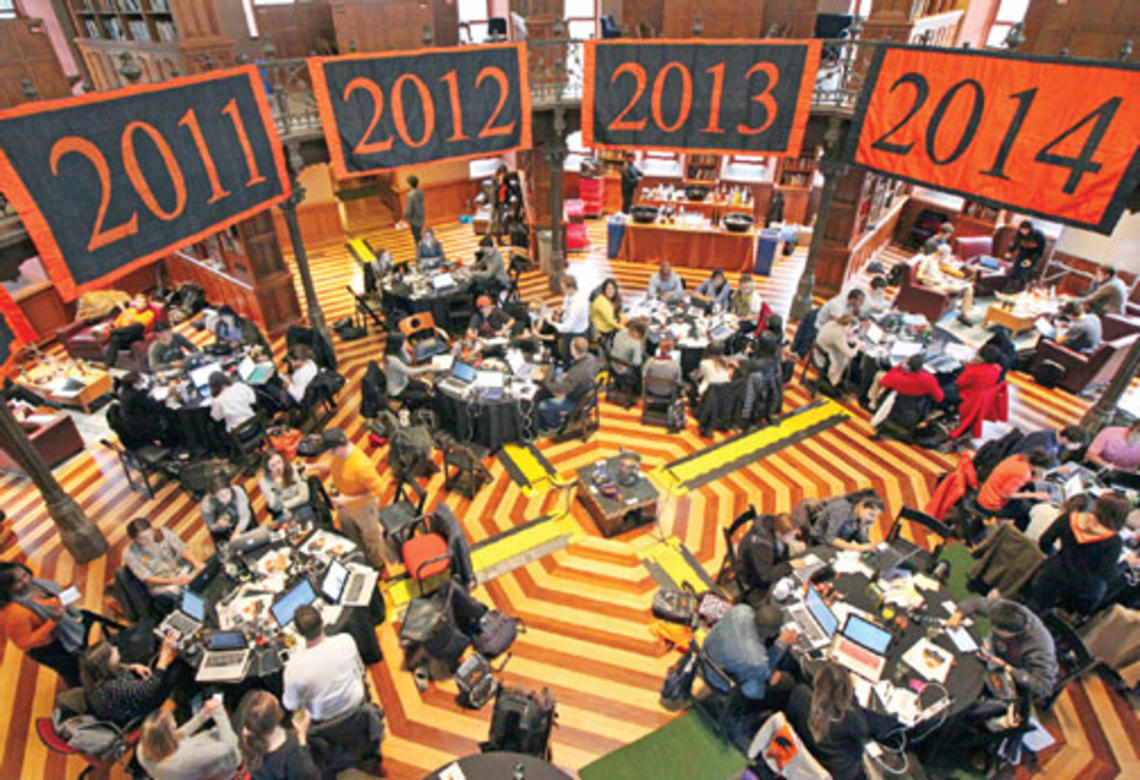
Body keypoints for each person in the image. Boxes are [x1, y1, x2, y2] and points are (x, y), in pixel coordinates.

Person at [0, 562, 114, 688]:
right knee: (73, 672)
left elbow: (54, 598)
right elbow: (24, 642)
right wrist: (52, 622)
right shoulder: (14, 613)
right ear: (6, 588)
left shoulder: (38, 584)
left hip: (63, 627)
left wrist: (72, 588)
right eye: (17, 582)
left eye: (24, 575)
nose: (25, 581)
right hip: (50, 648)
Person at [946, 598, 1057, 724]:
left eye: (998, 631)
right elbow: (975, 602)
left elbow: (1044, 687)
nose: (993, 630)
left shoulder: (1040, 647)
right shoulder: (1008, 610)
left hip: (1010, 677)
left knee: (966, 693)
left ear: (1012, 634)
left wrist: (1007, 667)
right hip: (990, 655)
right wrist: (958, 614)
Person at [787, 662, 891, 780]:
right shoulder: (852, 719)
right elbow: (863, 736)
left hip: (807, 759)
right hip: (841, 773)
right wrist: (853, 700)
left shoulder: (800, 694)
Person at [1032, 492, 1129, 613]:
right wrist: (1126, 563)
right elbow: (1106, 574)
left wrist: (1056, 558)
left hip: (1051, 577)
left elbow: (1044, 542)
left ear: (1097, 505)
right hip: (1081, 593)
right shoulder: (1114, 542)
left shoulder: (1070, 518)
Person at [308, 428, 387, 570]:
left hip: (362, 508)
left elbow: (379, 490)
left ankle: (377, 564)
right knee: (351, 534)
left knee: (371, 538)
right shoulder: (339, 455)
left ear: (338, 447)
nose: (327, 453)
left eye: (328, 451)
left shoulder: (361, 466)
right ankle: (359, 560)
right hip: (344, 504)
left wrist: (347, 500)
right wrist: (313, 466)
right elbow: (333, 465)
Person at [701, 602, 798, 704]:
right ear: (772, 633)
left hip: (706, 654)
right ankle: (753, 710)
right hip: (721, 680)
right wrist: (781, 643)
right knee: (786, 682)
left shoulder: (741, 610)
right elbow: (767, 672)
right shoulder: (756, 660)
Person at [282, 606, 365, 723]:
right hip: (354, 701)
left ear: (299, 633)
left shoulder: (293, 668)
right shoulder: (346, 641)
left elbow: (291, 705)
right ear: (322, 622)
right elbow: (359, 670)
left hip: (323, 717)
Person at [81, 633, 180, 726]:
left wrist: (131, 667)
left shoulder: (94, 677)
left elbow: (116, 667)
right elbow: (151, 687)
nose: (115, 648)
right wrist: (164, 654)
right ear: (106, 663)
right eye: (112, 651)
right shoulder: (116, 688)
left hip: (131, 696)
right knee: (177, 668)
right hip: (144, 706)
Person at [138, 697, 241, 780]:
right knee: (247, 699)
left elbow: (180, 734)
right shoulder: (185, 758)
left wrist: (204, 714)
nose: (176, 726)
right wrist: (219, 712)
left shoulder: (143, 750)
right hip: (228, 761)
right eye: (174, 727)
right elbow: (229, 746)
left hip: (202, 760)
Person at [123, 518, 203, 612]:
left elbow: (181, 549)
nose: (148, 540)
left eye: (149, 535)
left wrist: (196, 563)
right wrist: (175, 581)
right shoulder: (130, 554)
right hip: (162, 585)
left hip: (178, 570)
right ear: (134, 539)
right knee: (187, 599)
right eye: (142, 538)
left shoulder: (163, 533)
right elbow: (147, 577)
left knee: (202, 580)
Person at [238, 690, 321, 780]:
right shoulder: (293, 751)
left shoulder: (247, 740)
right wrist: (302, 735)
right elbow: (312, 776)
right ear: (279, 714)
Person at [976, 448, 1054, 529]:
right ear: (1039, 467)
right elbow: (1006, 494)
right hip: (991, 504)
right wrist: (1034, 495)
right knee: (1026, 511)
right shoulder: (1024, 473)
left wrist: (1034, 478)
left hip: (985, 493)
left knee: (1022, 501)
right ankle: (1005, 531)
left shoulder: (1018, 457)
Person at [538, 336, 598, 430]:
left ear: (574, 350)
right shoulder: (592, 358)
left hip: (575, 402)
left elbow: (559, 391)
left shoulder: (576, 373)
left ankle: (555, 424)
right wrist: (569, 376)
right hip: (589, 395)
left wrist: (548, 375)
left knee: (543, 405)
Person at [735, 513, 797, 602]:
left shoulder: (775, 526)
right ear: (778, 533)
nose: (793, 538)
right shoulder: (762, 546)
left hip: (765, 562)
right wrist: (789, 565)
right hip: (750, 573)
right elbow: (766, 576)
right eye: (790, 535)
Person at [811, 492, 883, 551]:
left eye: (875, 516)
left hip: (843, 543)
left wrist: (869, 546)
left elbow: (862, 539)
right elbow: (830, 538)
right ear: (861, 505)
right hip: (821, 542)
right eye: (871, 514)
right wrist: (858, 548)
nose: (872, 519)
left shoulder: (862, 516)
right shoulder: (841, 510)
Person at [116, 371, 170, 450]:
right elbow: (154, 406)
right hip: (145, 426)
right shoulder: (134, 396)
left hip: (136, 424)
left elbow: (144, 394)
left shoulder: (126, 392)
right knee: (169, 415)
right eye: (141, 381)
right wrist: (164, 399)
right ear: (134, 384)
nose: (143, 382)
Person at [101, 292, 155, 366]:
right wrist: (107, 327)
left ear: (146, 304)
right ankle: (108, 365)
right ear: (135, 302)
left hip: (136, 336)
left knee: (139, 326)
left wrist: (123, 309)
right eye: (139, 301)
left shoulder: (149, 313)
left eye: (144, 302)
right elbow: (115, 325)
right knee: (116, 337)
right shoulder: (129, 311)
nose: (142, 304)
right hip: (123, 339)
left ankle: (112, 332)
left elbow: (136, 325)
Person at [259, 450, 313, 523]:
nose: (278, 467)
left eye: (279, 462)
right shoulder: (264, 482)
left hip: (302, 506)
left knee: (304, 517)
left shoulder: (293, 469)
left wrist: (285, 505)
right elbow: (275, 507)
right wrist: (277, 491)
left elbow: (304, 497)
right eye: (273, 465)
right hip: (283, 514)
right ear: (268, 468)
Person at [199, 474, 254, 546]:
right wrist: (218, 526)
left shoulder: (237, 491)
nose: (226, 498)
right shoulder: (206, 505)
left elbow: (245, 516)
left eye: (227, 492)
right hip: (223, 534)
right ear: (213, 495)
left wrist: (237, 532)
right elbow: (211, 527)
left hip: (243, 524)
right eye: (221, 496)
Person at [383, 333, 434, 409]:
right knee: (424, 397)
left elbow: (408, 361)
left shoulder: (397, 352)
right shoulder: (391, 359)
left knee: (425, 386)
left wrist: (404, 350)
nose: (406, 344)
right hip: (397, 390)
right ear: (397, 344)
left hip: (404, 382)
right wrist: (428, 367)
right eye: (404, 342)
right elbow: (409, 371)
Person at [548, 274, 591, 361]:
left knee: (566, 355)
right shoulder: (571, 294)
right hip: (571, 324)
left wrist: (552, 322)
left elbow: (567, 327)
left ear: (570, 288)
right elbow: (566, 303)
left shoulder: (577, 305)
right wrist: (562, 309)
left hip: (575, 333)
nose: (562, 290)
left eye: (563, 288)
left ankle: (567, 368)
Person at [814, 314, 859, 390]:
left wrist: (848, 337)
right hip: (823, 356)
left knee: (843, 355)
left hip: (819, 347)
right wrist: (858, 345)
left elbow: (836, 339)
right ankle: (833, 382)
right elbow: (851, 354)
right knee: (846, 359)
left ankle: (835, 378)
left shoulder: (832, 323)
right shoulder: (839, 335)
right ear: (849, 326)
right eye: (852, 329)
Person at [879, 354, 945, 404]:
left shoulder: (898, 377)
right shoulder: (930, 380)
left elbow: (883, 382)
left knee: (879, 375)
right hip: (916, 409)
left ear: (908, 364)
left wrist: (898, 367)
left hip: (896, 403)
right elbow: (939, 398)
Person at [1005, 220, 1047, 291]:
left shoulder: (1039, 236)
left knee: (1023, 274)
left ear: (1030, 229)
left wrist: (1032, 260)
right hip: (1022, 254)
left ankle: (1019, 290)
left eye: (1026, 230)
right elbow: (1015, 244)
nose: (1023, 231)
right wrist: (1010, 251)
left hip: (1032, 256)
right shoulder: (1019, 234)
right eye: (1022, 229)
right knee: (1014, 271)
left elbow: (1040, 251)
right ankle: (1008, 289)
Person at [1013, 425, 1088, 462]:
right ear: (1065, 439)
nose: (1077, 448)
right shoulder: (1043, 440)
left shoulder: (1057, 441)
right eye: (1077, 445)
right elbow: (1025, 459)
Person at [403, 174, 424, 245]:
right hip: (421, 217)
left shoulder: (410, 195)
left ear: (410, 184)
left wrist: (405, 218)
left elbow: (408, 209)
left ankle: (421, 251)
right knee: (419, 235)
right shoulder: (420, 192)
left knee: (417, 237)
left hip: (414, 219)